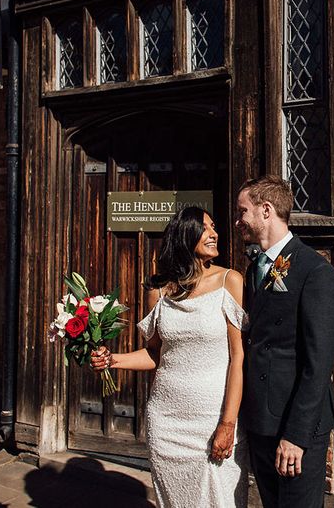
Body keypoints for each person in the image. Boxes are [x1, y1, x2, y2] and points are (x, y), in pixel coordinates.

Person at [91, 207, 248, 507]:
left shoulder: (230, 281)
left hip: (212, 419)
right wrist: (113, 360)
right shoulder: (159, 292)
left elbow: (238, 358)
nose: (215, 234)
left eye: (214, 227)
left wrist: (228, 424)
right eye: (205, 228)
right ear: (185, 235)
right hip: (167, 422)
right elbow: (154, 354)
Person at [235, 175, 334, 508]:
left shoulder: (315, 271)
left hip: (295, 427)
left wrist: (296, 436)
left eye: (243, 211)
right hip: (262, 421)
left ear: (266, 211)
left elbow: (318, 364)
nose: (238, 221)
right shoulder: (255, 270)